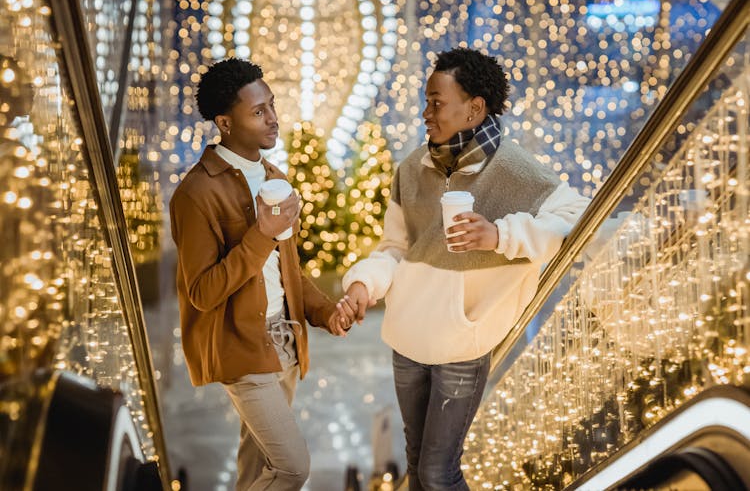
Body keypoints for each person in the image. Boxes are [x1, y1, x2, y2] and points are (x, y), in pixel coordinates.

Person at [338, 48, 590, 490]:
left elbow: (576, 218)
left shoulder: (513, 169)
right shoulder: (412, 168)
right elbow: (395, 247)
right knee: (417, 465)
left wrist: (500, 235)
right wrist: (363, 284)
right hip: (407, 338)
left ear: (475, 108)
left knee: (438, 472)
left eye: (437, 101)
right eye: (426, 100)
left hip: (461, 344)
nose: (426, 112)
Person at [169, 58, 351, 491]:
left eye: (271, 105)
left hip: (284, 342)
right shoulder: (196, 194)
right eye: (258, 112)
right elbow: (202, 291)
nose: (273, 119)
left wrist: (326, 312)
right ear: (225, 123)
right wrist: (262, 234)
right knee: (291, 467)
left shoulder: (274, 178)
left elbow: (288, 271)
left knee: (257, 467)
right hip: (242, 346)